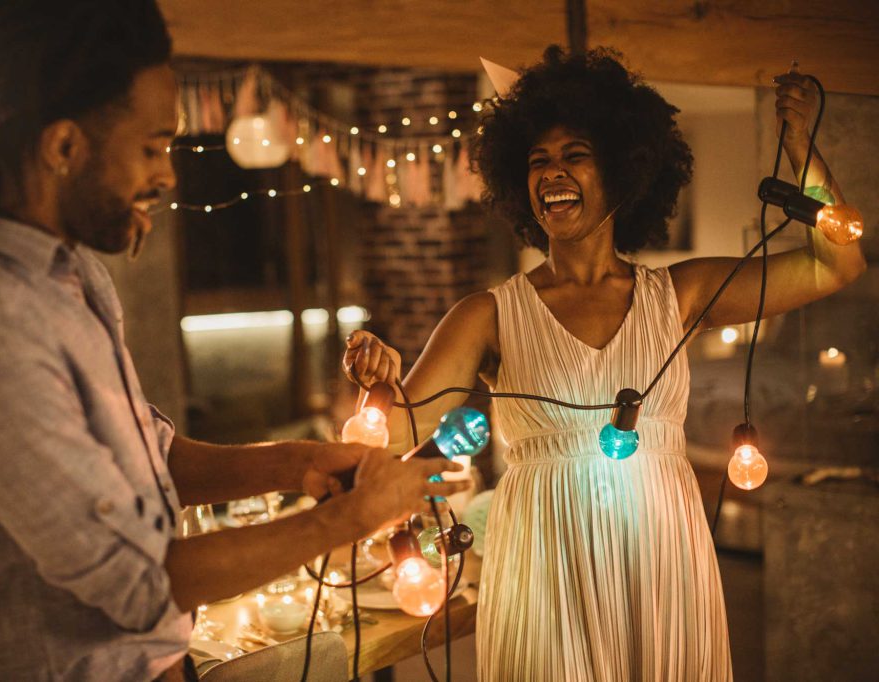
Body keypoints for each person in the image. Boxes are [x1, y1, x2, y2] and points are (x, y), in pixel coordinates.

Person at [0, 2, 467, 680]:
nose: (168, 177)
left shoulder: (69, 279)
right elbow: (141, 584)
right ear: (64, 147)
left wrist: (302, 462)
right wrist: (349, 518)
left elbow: (158, 459)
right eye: (154, 147)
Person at [344, 46, 865, 681]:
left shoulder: (678, 295)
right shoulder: (488, 315)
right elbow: (397, 432)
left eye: (573, 155)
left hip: (661, 561)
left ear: (621, 171)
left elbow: (834, 262)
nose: (551, 172)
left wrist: (801, 149)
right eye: (537, 161)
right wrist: (379, 385)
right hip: (545, 566)